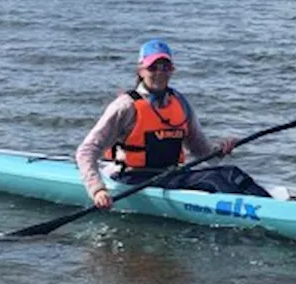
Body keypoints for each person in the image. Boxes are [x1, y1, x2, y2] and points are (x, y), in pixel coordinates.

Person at [75, 38, 270, 210]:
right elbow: (86, 151)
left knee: (233, 174)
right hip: (134, 179)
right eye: (153, 67)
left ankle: (277, 206)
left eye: (165, 67)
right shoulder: (126, 106)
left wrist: (220, 149)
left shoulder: (180, 103)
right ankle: (266, 213)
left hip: (170, 175)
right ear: (141, 70)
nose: (160, 73)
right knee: (216, 179)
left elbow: (201, 151)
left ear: (172, 70)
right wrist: (98, 190)